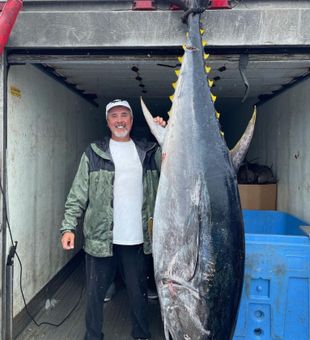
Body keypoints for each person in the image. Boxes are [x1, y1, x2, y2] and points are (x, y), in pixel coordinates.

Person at [60, 99, 166, 340]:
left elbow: (174, 162)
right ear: (107, 122)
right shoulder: (94, 152)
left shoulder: (149, 153)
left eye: (124, 115)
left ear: (131, 120)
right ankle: (93, 336)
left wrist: (163, 134)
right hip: (100, 240)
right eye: (114, 116)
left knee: (138, 294)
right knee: (95, 296)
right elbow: (78, 193)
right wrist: (68, 227)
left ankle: (141, 335)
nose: (120, 120)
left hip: (137, 239)